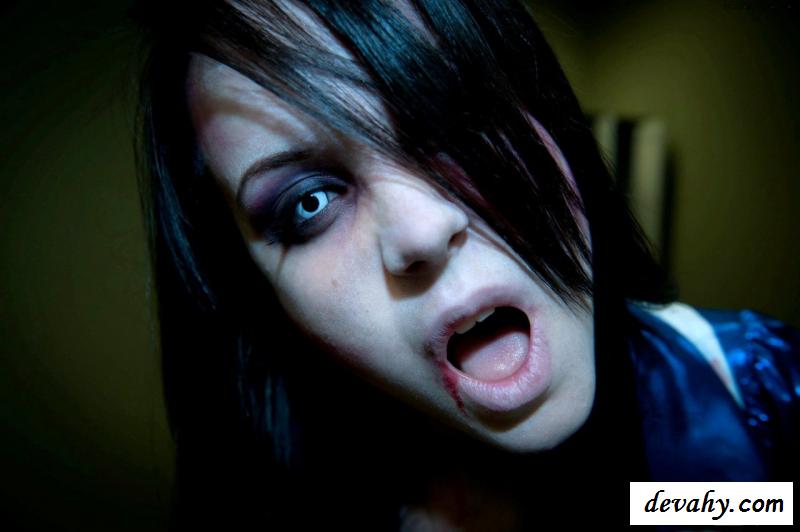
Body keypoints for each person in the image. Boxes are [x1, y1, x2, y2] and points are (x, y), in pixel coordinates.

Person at [133, 0, 799, 529]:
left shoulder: (756, 394)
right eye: (309, 203)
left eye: (451, 114)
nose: (421, 230)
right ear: (259, 297)